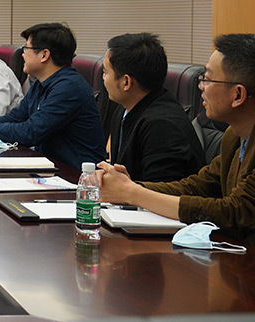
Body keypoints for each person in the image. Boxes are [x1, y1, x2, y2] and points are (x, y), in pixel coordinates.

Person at [98, 34, 255, 241]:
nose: (200, 86)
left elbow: (235, 210)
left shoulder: (162, 122)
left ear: (237, 95)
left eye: (207, 79)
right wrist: (128, 187)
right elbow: (197, 186)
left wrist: (132, 193)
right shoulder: (233, 137)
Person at [0, 22, 107, 170]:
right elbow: (14, 119)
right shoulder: (41, 83)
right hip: (49, 167)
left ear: (44, 55)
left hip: (76, 176)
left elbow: (30, 132)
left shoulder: (68, 88)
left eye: (26, 48)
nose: (23, 55)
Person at [101, 32, 204, 182]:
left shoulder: (162, 126)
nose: (103, 78)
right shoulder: (124, 109)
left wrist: (127, 187)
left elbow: (161, 190)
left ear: (126, 82)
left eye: (105, 72)